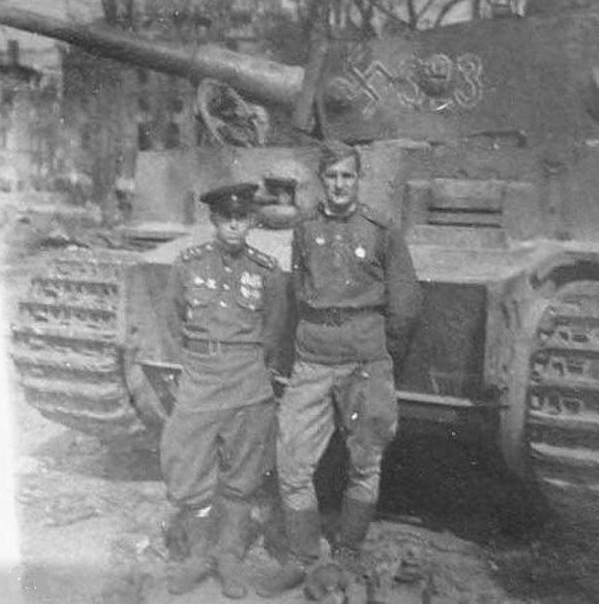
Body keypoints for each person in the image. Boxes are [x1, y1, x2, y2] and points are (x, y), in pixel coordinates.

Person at [256, 141, 422, 597]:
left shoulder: (381, 230)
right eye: (331, 177)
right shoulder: (306, 228)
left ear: (358, 179)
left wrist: (380, 354)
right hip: (313, 359)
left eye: (347, 176)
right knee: (292, 463)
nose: (339, 185)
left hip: (364, 360)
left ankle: (347, 553)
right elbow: (299, 289)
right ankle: (304, 556)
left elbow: (405, 304)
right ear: (320, 181)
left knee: (365, 463)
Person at [162, 182, 288, 598]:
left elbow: (273, 330)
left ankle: (229, 557)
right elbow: (172, 320)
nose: (234, 225)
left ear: (252, 221)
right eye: (226, 218)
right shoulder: (188, 264)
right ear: (214, 220)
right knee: (189, 472)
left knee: (242, 477)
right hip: (200, 379)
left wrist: (251, 367)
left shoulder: (266, 271)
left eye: (242, 217)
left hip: (247, 381)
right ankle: (199, 557)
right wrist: (193, 364)